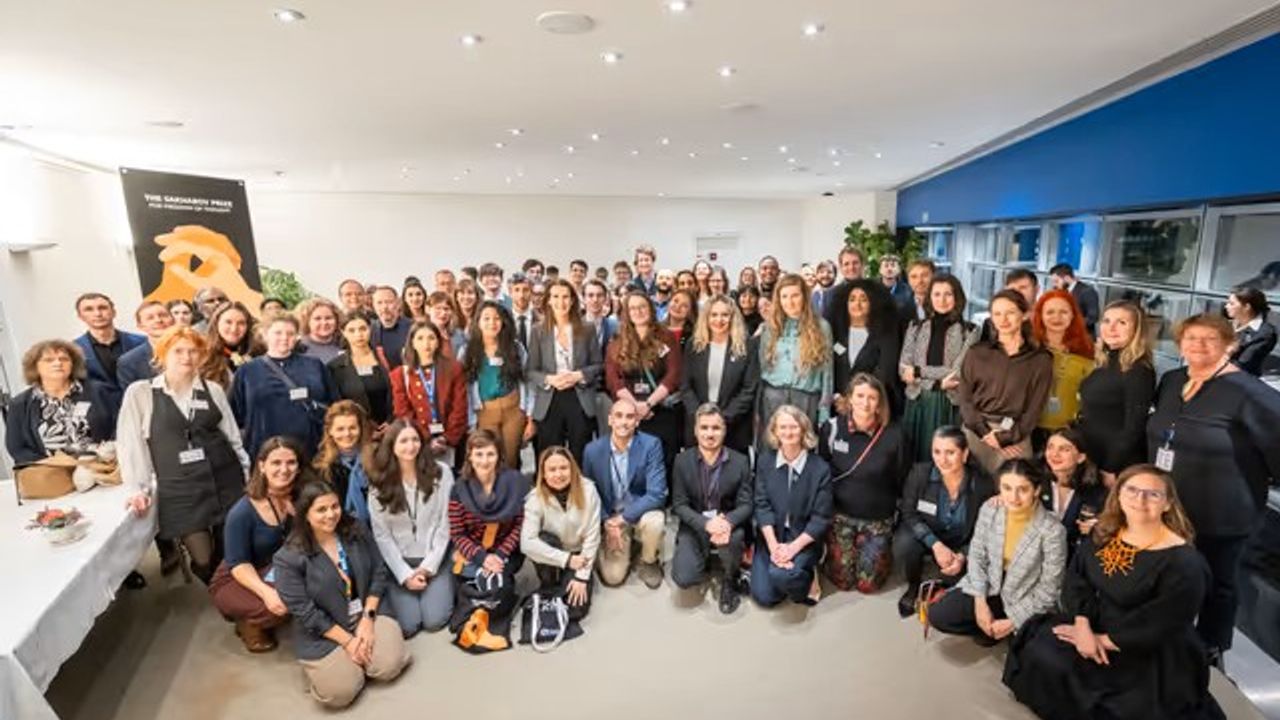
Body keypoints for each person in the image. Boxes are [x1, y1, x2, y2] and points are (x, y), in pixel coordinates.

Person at [1003, 466, 1224, 720]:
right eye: (1132, 490)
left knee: (1125, 706)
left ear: (1167, 504)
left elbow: (1163, 622)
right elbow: (1078, 579)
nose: (1140, 500)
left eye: (1152, 494)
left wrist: (1102, 641)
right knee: (1040, 649)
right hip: (1097, 623)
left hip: (1150, 646)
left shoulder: (1185, 562)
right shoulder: (1106, 532)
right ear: (1118, 495)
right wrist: (1083, 625)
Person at [1146, 312, 1280, 661]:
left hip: (1223, 510)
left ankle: (1210, 646)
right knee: (1172, 574)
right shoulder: (1172, 380)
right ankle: (1167, 635)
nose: (1199, 345)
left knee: (1217, 581)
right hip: (1170, 503)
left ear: (1230, 345)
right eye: (1191, 338)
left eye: (1210, 339)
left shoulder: (1249, 392)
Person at [120, 326, 249, 584]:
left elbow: (233, 437)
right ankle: (221, 589)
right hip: (180, 488)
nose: (186, 357)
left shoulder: (212, 389)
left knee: (231, 551)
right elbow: (131, 444)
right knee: (203, 559)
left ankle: (232, 597)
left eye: (193, 351)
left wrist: (247, 475)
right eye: (178, 351)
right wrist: (137, 487)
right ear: (162, 354)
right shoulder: (142, 393)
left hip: (225, 479)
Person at [274, 480, 410, 708]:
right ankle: (334, 669)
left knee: (389, 667)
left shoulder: (356, 529)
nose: (331, 515)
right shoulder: (287, 558)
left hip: (367, 612)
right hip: (324, 631)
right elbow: (306, 613)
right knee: (341, 693)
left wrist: (368, 619)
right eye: (321, 509)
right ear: (305, 514)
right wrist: (349, 642)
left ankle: (356, 661)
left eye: (334, 506)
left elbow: (379, 570)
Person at [927, 459, 1067, 644]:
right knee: (938, 615)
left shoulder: (1053, 530)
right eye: (1007, 488)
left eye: (1023, 489)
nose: (1013, 497)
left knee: (1022, 650)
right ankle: (986, 628)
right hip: (991, 581)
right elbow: (977, 555)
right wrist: (980, 602)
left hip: (1023, 595)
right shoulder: (990, 509)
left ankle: (997, 630)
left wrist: (1013, 621)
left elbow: (1050, 588)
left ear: (1037, 490)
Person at [208, 437, 301, 652]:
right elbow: (239, 565)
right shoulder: (242, 512)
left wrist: (300, 516)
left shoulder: (301, 497)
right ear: (262, 466)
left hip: (278, 567)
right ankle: (249, 624)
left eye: (291, 462)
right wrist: (267, 594)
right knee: (281, 603)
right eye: (276, 463)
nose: (284, 469)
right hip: (238, 577)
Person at [818, 373, 908, 594]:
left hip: (877, 519)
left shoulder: (895, 435)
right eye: (859, 396)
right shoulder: (832, 429)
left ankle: (876, 548)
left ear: (880, 403)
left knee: (867, 585)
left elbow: (902, 475)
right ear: (849, 398)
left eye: (872, 397)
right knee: (843, 581)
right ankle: (847, 549)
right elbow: (822, 470)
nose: (865, 403)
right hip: (840, 516)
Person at [894, 426, 995, 618]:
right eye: (937, 452)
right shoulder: (919, 474)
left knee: (955, 590)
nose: (942, 460)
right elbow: (909, 512)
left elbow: (985, 530)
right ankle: (914, 586)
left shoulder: (982, 484)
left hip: (962, 541)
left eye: (950, 452)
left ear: (964, 454)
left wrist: (963, 555)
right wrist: (935, 544)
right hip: (928, 536)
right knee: (905, 542)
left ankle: (946, 585)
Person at [368, 420, 455, 637]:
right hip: (400, 562)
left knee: (434, 620)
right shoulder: (379, 483)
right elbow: (382, 535)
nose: (410, 446)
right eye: (403, 441)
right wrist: (405, 575)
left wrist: (427, 567)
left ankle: (443, 582)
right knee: (408, 625)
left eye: (415, 439)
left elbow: (446, 524)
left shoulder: (442, 473)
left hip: (435, 558)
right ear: (392, 446)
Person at [447, 431, 528, 652]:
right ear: (469, 456)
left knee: (499, 584)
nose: (485, 460)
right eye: (479, 454)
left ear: (499, 455)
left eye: (490, 454)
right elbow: (458, 533)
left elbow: (519, 525)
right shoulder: (459, 489)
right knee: (473, 581)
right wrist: (482, 558)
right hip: (474, 552)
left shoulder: (512, 484)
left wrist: (499, 555)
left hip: (505, 552)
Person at [957, 289, 1052, 473]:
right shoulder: (977, 353)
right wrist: (985, 434)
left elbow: (1035, 409)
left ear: (1024, 315)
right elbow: (965, 399)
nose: (1003, 319)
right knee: (973, 486)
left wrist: (1007, 438)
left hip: (1016, 436)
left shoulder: (1040, 360)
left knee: (1014, 485)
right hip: (976, 433)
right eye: (997, 314)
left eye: (1010, 312)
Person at [670, 404, 754, 613]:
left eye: (716, 428)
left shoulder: (740, 462)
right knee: (684, 578)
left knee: (733, 539)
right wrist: (707, 524)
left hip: (727, 525)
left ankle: (731, 579)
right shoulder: (681, 461)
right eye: (704, 427)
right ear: (695, 430)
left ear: (724, 430)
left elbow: (746, 504)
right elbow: (679, 504)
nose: (709, 434)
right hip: (696, 524)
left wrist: (726, 522)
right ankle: (703, 558)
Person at [581, 398, 668, 589]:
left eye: (629, 417)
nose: (624, 422)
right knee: (613, 578)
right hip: (610, 516)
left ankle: (648, 560)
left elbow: (657, 494)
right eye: (618, 416)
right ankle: (626, 543)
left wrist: (623, 519)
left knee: (656, 521)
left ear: (637, 421)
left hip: (638, 511)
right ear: (610, 419)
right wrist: (606, 522)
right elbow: (589, 493)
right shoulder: (592, 451)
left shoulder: (651, 445)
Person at [751, 405, 833, 607]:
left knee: (782, 577)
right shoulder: (765, 462)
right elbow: (761, 505)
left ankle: (808, 574)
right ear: (774, 431)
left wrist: (792, 549)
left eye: (794, 427)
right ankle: (788, 575)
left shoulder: (820, 469)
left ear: (803, 430)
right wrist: (773, 547)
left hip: (802, 537)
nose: (788, 432)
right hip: (773, 535)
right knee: (765, 597)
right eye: (782, 427)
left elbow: (821, 518)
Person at [231, 314, 337, 458]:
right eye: (278, 333)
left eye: (290, 333)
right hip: (265, 453)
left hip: (312, 449)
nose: (284, 337)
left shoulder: (314, 365)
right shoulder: (247, 371)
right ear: (265, 335)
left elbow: (333, 404)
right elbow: (235, 415)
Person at [899, 274, 978, 463]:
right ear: (929, 297)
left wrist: (918, 371)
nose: (942, 300)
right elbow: (903, 368)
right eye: (937, 294)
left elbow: (956, 372)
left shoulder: (970, 330)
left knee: (945, 459)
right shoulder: (915, 326)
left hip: (948, 403)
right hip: (917, 402)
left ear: (957, 297)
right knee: (913, 458)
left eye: (948, 294)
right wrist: (936, 384)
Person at [5, 339, 114, 471]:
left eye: (64, 359)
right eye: (49, 360)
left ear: (73, 364)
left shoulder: (101, 391)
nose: (58, 363)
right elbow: (17, 448)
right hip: (49, 472)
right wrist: (50, 463)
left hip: (99, 467)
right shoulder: (19, 404)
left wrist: (105, 455)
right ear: (35, 367)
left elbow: (118, 428)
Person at [521, 446, 603, 620]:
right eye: (552, 469)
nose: (558, 474)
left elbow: (593, 536)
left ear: (572, 469)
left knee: (575, 610)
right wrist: (566, 559)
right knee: (543, 539)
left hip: (580, 555)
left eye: (564, 468)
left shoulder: (589, 490)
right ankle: (549, 584)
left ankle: (560, 587)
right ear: (543, 474)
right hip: (555, 552)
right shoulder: (534, 498)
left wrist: (581, 578)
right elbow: (527, 543)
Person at [605, 290, 683, 471]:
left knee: (663, 464)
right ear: (627, 312)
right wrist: (635, 407)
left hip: (660, 410)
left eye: (642, 307)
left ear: (650, 308)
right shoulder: (617, 340)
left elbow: (673, 374)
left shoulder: (666, 337)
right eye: (633, 308)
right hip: (629, 414)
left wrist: (648, 404)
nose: (638, 312)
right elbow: (613, 378)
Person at [1077, 301, 1156, 481]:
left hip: (1115, 464)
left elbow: (1134, 427)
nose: (1111, 328)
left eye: (1122, 322)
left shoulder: (1138, 369)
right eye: (1106, 321)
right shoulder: (1105, 361)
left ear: (1136, 330)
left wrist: (1111, 467)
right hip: (1093, 455)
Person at [527, 280, 602, 463]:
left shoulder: (587, 329)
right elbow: (531, 371)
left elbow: (598, 365)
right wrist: (549, 379)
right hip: (550, 399)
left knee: (580, 454)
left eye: (565, 297)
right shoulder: (538, 331)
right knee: (550, 455)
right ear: (548, 300)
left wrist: (579, 375)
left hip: (579, 397)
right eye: (556, 296)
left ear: (573, 300)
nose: (561, 302)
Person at [680, 294, 760, 454]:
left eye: (725, 315)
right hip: (699, 426)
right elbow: (685, 386)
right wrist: (702, 418)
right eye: (714, 315)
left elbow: (749, 389)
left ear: (733, 318)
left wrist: (723, 418)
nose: (719, 320)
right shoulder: (693, 345)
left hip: (734, 427)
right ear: (706, 317)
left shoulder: (747, 346)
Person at [461, 301, 534, 470]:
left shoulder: (515, 348)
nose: (492, 323)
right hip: (485, 412)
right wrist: (471, 421)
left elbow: (527, 382)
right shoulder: (468, 350)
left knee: (511, 459)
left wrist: (529, 416)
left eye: (497, 318)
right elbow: (465, 388)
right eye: (486, 318)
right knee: (489, 459)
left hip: (514, 410)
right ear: (478, 322)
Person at [758, 273, 834, 432]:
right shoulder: (770, 326)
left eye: (795, 296)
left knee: (804, 443)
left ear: (804, 296)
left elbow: (827, 372)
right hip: (773, 398)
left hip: (806, 398)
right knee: (772, 444)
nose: (789, 302)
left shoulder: (821, 326)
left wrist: (824, 408)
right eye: (784, 296)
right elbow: (761, 366)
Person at [390, 321, 469, 465]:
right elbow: (402, 411)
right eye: (420, 338)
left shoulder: (454, 369)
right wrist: (425, 438)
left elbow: (459, 407)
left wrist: (446, 438)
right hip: (418, 441)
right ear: (412, 343)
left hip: (450, 440)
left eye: (431, 338)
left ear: (438, 342)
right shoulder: (400, 375)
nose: (426, 344)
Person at [827, 278, 903, 419]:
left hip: (873, 407)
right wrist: (837, 397)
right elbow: (829, 370)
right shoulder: (834, 333)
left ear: (873, 303)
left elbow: (885, 372)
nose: (857, 304)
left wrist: (855, 401)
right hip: (837, 407)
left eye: (864, 299)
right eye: (852, 299)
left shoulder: (885, 334)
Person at [1030, 289, 1095, 450]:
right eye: (1050, 312)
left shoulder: (1088, 350)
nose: (1057, 317)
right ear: (1040, 315)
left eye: (1063, 312)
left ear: (1073, 315)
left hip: (1070, 433)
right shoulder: (1029, 349)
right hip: (1029, 430)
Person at [72, 292, 148, 418]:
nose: (97, 313)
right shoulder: (73, 350)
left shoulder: (142, 342)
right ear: (80, 316)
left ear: (113, 312)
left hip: (143, 410)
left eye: (102, 307)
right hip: (101, 415)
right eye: (89, 309)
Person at [1040, 427, 1106, 552]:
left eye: (1064, 449)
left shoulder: (1096, 493)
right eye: (1050, 447)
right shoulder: (1034, 482)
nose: (1055, 454)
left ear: (1080, 457)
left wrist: (1096, 529)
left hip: (1074, 555)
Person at [314, 400, 378, 527]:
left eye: (352, 428)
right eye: (340, 429)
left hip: (379, 526)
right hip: (341, 528)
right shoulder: (321, 467)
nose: (347, 434)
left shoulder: (377, 457)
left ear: (361, 429)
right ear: (330, 431)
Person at [327, 313, 394, 429]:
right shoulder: (335, 367)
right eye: (352, 330)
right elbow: (337, 404)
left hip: (390, 427)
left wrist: (390, 421)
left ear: (370, 329)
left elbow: (397, 394)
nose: (358, 335)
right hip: (356, 429)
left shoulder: (387, 357)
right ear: (343, 332)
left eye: (363, 329)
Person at [199, 301, 261, 388]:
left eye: (241, 323)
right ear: (216, 323)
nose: (234, 329)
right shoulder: (201, 352)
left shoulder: (259, 353)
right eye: (228, 322)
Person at [116, 301, 175, 388]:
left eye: (163, 315)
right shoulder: (128, 362)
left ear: (173, 320)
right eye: (150, 318)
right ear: (140, 326)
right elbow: (132, 395)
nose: (158, 320)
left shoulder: (194, 349)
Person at [1224, 285, 1277, 375]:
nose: (1226, 306)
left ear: (1247, 307)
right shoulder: (1227, 324)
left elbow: (1242, 366)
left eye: (1231, 304)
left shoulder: (1264, 333)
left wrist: (1226, 354)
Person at [1049, 262, 1100, 336]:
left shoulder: (1087, 291)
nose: (1054, 285)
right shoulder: (1060, 291)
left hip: (1083, 337)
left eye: (1056, 281)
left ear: (1067, 278)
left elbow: (1093, 317)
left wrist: (1072, 324)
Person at [369, 286, 413, 370]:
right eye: (379, 303)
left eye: (389, 302)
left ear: (398, 303)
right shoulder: (369, 330)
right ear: (373, 306)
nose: (384, 307)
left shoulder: (413, 327)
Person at [297, 297, 344, 364]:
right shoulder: (297, 347)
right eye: (317, 318)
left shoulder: (345, 345)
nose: (324, 323)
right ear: (307, 321)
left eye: (328, 318)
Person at [507, 272, 538, 349]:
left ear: (531, 293)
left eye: (526, 290)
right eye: (517, 290)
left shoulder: (542, 320)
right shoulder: (503, 320)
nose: (521, 295)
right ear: (510, 293)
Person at [902, 259, 936, 324]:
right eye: (914, 277)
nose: (919, 281)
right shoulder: (901, 309)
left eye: (925, 275)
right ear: (908, 280)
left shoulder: (946, 305)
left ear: (934, 277)